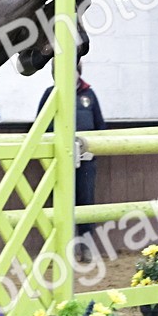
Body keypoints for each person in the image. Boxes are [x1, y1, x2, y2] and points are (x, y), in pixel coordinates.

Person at [37, 62, 106, 263]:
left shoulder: (89, 95)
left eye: (71, 69)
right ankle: (56, 251)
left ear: (78, 72)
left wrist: (94, 149)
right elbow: (39, 125)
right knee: (58, 203)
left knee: (85, 201)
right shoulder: (49, 95)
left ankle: (85, 248)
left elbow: (100, 125)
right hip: (57, 160)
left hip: (85, 160)